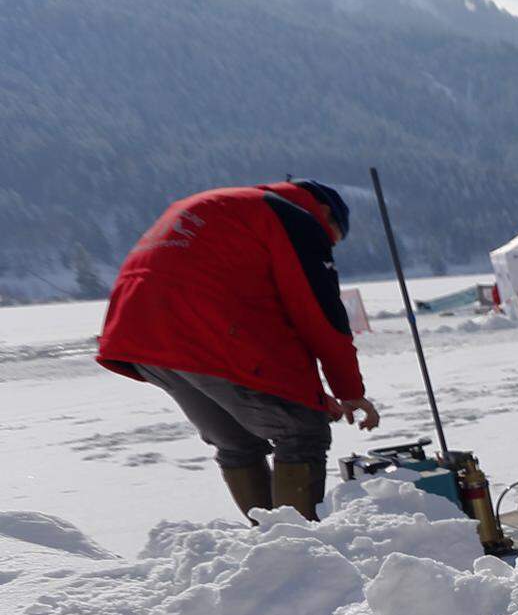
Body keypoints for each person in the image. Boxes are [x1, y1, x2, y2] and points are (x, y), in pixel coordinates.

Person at [96, 179, 380, 524]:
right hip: (204, 327)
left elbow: (271, 325)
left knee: (238, 441)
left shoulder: (225, 206)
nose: (331, 245)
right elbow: (318, 313)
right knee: (302, 431)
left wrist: (316, 396)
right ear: (325, 213)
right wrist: (349, 391)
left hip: (140, 332)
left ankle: (269, 547)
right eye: (334, 235)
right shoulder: (294, 219)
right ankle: (296, 546)